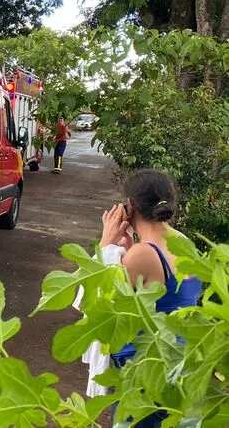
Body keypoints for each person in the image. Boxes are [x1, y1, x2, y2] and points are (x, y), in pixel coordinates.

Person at [99, 169, 201, 426]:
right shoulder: (185, 244)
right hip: (181, 366)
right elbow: (166, 293)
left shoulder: (143, 255)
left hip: (146, 373)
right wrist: (130, 249)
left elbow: (102, 303)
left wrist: (105, 245)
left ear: (129, 207)